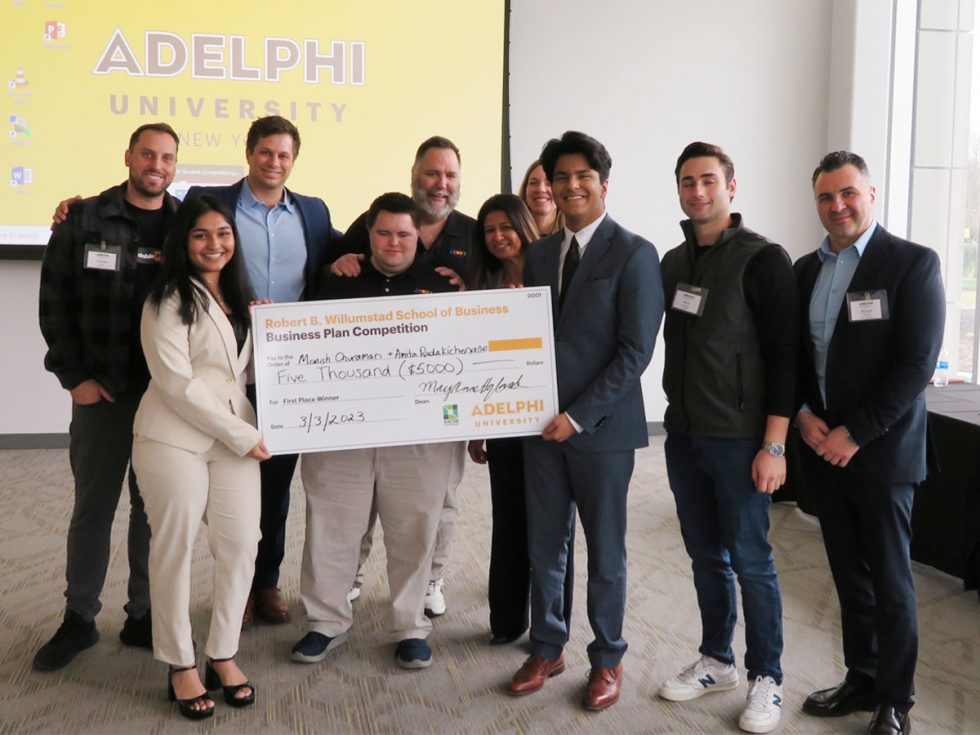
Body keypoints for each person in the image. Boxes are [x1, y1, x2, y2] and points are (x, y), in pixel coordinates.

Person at [506, 131, 663, 711]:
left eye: (582, 176)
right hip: (538, 429)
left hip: (599, 431)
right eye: (560, 178)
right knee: (545, 546)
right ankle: (547, 646)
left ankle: (608, 658)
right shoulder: (542, 252)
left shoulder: (634, 252)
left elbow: (635, 351)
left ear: (602, 181)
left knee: (605, 550)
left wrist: (577, 416)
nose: (571, 187)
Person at [795, 151, 945, 735]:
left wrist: (855, 433)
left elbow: (916, 365)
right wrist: (806, 416)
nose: (838, 207)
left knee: (889, 578)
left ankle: (895, 699)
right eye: (826, 198)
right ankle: (861, 677)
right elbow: (799, 355)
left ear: (871, 194)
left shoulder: (912, 263)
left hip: (881, 452)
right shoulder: (806, 270)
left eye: (848, 194)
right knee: (846, 574)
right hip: (823, 449)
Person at [657, 142, 797, 734]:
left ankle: (769, 676)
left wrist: (774, 444)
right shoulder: (672, 261)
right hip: (683, 435)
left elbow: (787, 356)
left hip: (740, 440)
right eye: (687, 182)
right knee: (704, 555)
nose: (697, 191)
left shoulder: (763, 259)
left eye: (708, 180)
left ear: (730, 187)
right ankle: (718, 659)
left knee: (752, 560)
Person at [291, 192, 459, 669]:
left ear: (418, 236)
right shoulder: (334, 280)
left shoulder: (443, 286)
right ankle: (325, 621)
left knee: (414, 530)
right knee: (331, 527)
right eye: (383, 233)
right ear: (369, 234)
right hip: (340, 434)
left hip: (418, 437)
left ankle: (410, 625)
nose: (393, 242)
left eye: (404, 234)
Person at [35, 122, 180, 671]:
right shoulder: (85, 218)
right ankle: (79, 618)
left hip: (163, 401)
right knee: (92, 509)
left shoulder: (183, 225)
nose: (157, 165)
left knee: (152, 512)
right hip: (100, 395)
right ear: (128, 156)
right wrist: (73, 377)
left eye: (167, 157)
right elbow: (55, 302)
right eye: (148, 153)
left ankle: (142, 615)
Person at [184, 115, 338, 627]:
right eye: (266, 152)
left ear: (294, 161)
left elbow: (355, 242)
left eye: (284, 155)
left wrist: (352, 259)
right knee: (227, 483)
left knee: (275, 484)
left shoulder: (313, 212)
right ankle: (234, 585)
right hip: (226, 362)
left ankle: (265, 584)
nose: (275, 163)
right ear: (249, 154)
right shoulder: (213, 203)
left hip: (290, 371)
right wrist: (76, 209)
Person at [133, 195, 270, 720]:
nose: (215, 244)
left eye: (223, 234)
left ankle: (224, 652)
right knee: (175, 548)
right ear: (182, 242)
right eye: (201, 235)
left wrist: (273, 336)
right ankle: (180, 662)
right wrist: (240, 433)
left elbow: (238, 374)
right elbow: (177, 385)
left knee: (240, 545)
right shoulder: (165, 298)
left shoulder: (240, 296)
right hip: (174, 439)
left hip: (233, 437)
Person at [330, 136, 474, 615]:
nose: (441, 183)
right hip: (369, 396)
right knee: (363, 492)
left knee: (439, 498)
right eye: (432, 173)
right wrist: (342, 261)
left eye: (450, 175)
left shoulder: (473, 234)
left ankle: (431, 580)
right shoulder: (378, 218)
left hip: (439, 398)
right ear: (415, 173)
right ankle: (350, 576)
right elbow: (340, 269)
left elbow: (495, 301)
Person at [465, 194, 574, 645]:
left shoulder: (552, 270)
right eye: (488, 230)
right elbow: (470, 359)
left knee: (553, 526)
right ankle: (507, 620)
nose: (497, 237)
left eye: (505, 227)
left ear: (524, 225)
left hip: (550, 419)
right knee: (508, 519)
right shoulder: (479, 280)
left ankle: (553, 624)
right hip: (502, 420)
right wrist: (476, 427)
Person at [518, 160, 563, 235]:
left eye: (549, 183)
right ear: (525, 191)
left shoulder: (574, 237)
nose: (541, 189)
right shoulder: (513, 238)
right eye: (533, 183)